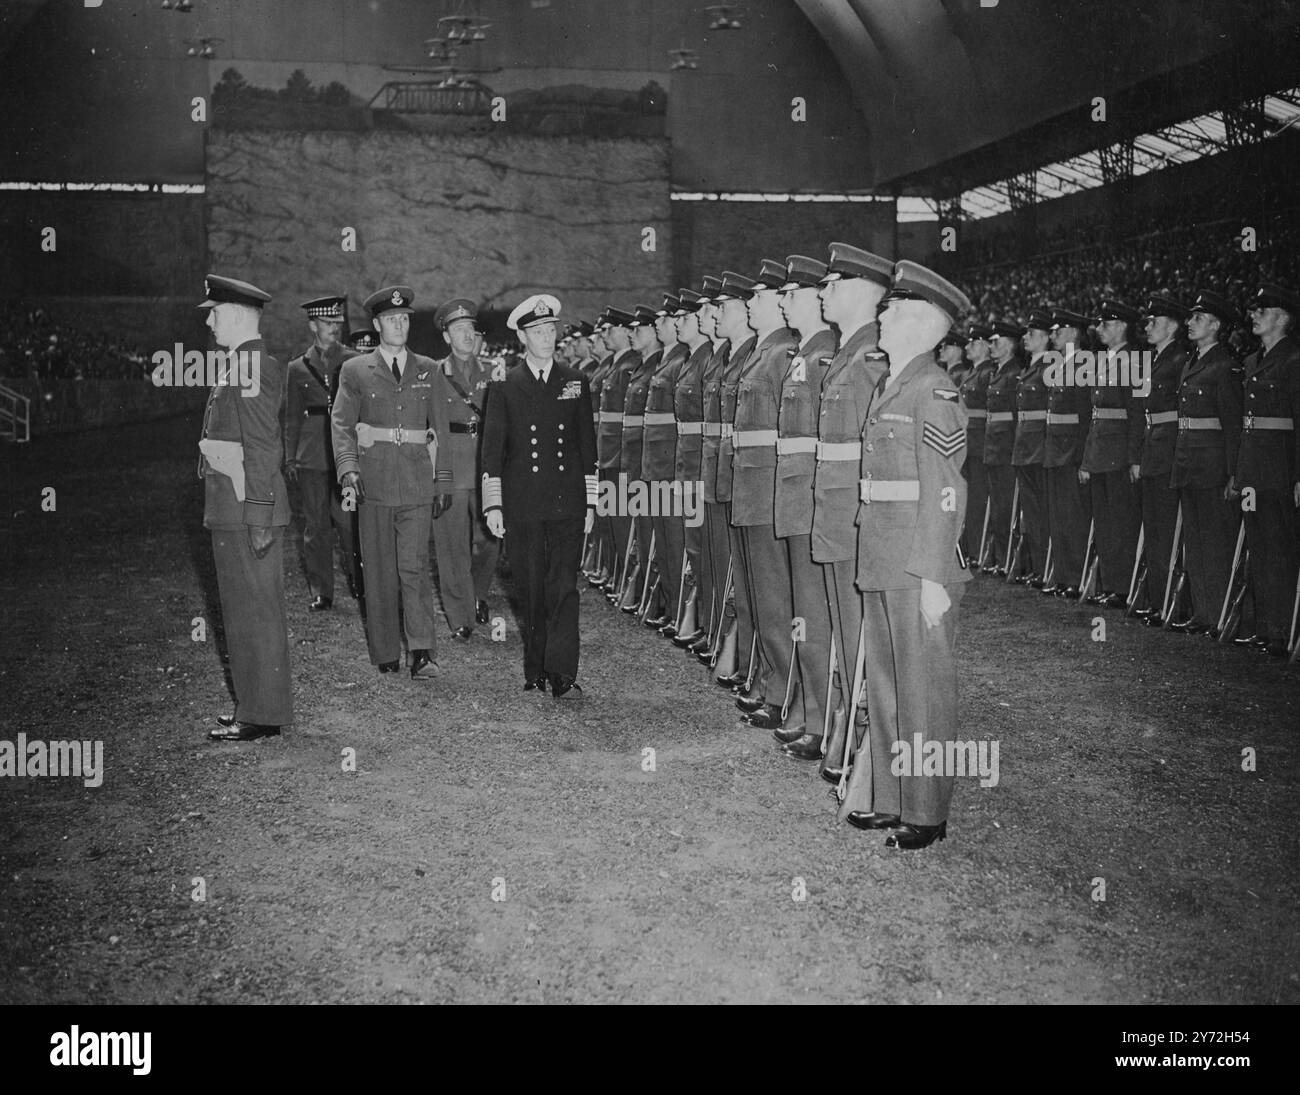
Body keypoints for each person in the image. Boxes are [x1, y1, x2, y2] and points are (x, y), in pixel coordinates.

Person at [837, 260, 972, 851]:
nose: (882, 315)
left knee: (924, 689)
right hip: (883, 549)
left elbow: (947, 489)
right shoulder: (894, 383)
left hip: (917, 560)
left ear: (921, 322)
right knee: (889, 683)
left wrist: (936, 573)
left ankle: (926, 810)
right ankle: (890, 797)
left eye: (892, 309)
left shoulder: (933, 388)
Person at [331, 286, 453, 678]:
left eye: (404, 319)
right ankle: (385, 650)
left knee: (414, 567)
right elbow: (341, 424)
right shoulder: (354, 370)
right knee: (379, 570)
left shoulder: (429, 369)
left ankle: (421, 651)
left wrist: (443, 480)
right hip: (374, 484)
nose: (399, 324)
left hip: (417, 482)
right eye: (391, 319)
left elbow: (441, 430)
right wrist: (349, 469)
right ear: (377, 324)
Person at [481, 294, 598, 696]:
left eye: (551, 330)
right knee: (531, 588)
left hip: (567, 501)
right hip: (523, 503)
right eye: (538, 332)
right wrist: (493, 503)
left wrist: (591, 501)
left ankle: (563, 671)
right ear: (522, 337)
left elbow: (587, 446)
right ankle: (536, 667)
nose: (546, 338)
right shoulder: (505, 386)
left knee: (563, 586)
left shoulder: (575, 382)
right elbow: (492, 452)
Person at [197, 274, 292, 742]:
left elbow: (261, 444)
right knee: (242, 610)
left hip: (244, 508)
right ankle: (254, 704)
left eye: (214, 313)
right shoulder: (239, 364)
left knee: (254, 610)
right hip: (233, 506)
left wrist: (258, 513)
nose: (210, 321)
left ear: (234, 315)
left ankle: (261, 712)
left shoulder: (250, 365)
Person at [812, 242, 892, 783]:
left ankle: (863, 738)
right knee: (843, 627)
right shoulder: (847, 352)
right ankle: (845, 724)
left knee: (858, 630)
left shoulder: (868, 357)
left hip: (850, 513)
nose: (824, 293)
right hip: (832, 508)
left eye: (833, 285)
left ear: (862, 292)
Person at [773, 254, 838, 761]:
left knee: (814, 615)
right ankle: (809, 711)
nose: (783, 301)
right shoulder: (804, 353)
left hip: (810, 496)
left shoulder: (823, 356)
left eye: (791, 294)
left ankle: (822, 721)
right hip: (794, 493)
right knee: (803, 613)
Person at [1168, 290, 1243, 634]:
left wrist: (1232, 472)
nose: (1189, 323)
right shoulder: (1192, 363)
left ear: (1216, 325)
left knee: (1216, 541)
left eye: (1198, 318)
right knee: (1195, 541)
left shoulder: (1225, 365)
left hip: (1212, 466)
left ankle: (1220, 613)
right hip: (1187, 462)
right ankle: (1202, 612)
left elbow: (1231, 424)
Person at [1234, 283, 1300, 656]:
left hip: (1278, 470)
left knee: (1280, 548)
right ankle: (1265, 626)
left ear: (1283, 318)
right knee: (1258, 547)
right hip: (1253, 471)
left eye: (1263, 310)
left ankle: (1283, 629)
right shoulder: (1251, 362)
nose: (1254, 315)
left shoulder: (1293, 361)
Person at [283, 294, 360, 611]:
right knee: (315, 527)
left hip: (345, 457)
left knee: (348, 523)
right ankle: (322, 591)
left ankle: (360, 581)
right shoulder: (297, 368)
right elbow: (291, 417)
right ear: (313, 325)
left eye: (338, 324)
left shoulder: (355, 362)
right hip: (312, 457)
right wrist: (290, 457)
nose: (335, 329)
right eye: (328, 324)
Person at [429, 297, 499, 640]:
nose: (467, 336)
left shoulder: (493, 373)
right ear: (447, 337)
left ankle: (478, 595)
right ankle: (460, 615)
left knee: (488, 539)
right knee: (451, 544)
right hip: (452, 467)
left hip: (486, 465)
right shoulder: (434, 375)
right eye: (459, 330)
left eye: (471, 329)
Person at [1080, 300, 1143, 606]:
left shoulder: (1134, 360)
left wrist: (1134, 458)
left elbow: (1135, 413)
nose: (1100, 329)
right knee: (1104, 522)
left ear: (1122, 327)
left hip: (1119, 452)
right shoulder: (1102, 360)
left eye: (1107, 324)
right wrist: (1087, 459)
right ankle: (1111, 584)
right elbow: (1095, 414)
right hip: (1101, 451)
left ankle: (1123, 587)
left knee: (1121, 522)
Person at [1132, 296, 1190, 623]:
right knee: (1155, 528)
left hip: (1170, 452)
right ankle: (1158, 601)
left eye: (1154, 321)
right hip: (1153, 449)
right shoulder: (1154, 360)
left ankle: (1173, 603)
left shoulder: (1181, 360)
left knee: (1168, 529)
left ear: (1172, 325)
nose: (1148, 327)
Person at [1042, 309, 1093, 596]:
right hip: (1056, 451)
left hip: (1072, 452)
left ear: (1074, 332)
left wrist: (1084, 458)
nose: (1053, 336)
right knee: (1059, 517)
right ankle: (1064, 576)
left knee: (1073, 518)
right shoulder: (1061, 364)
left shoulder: (1083, 364)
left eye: (1057, 330)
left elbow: (1086, 417)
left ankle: (1075, 578)